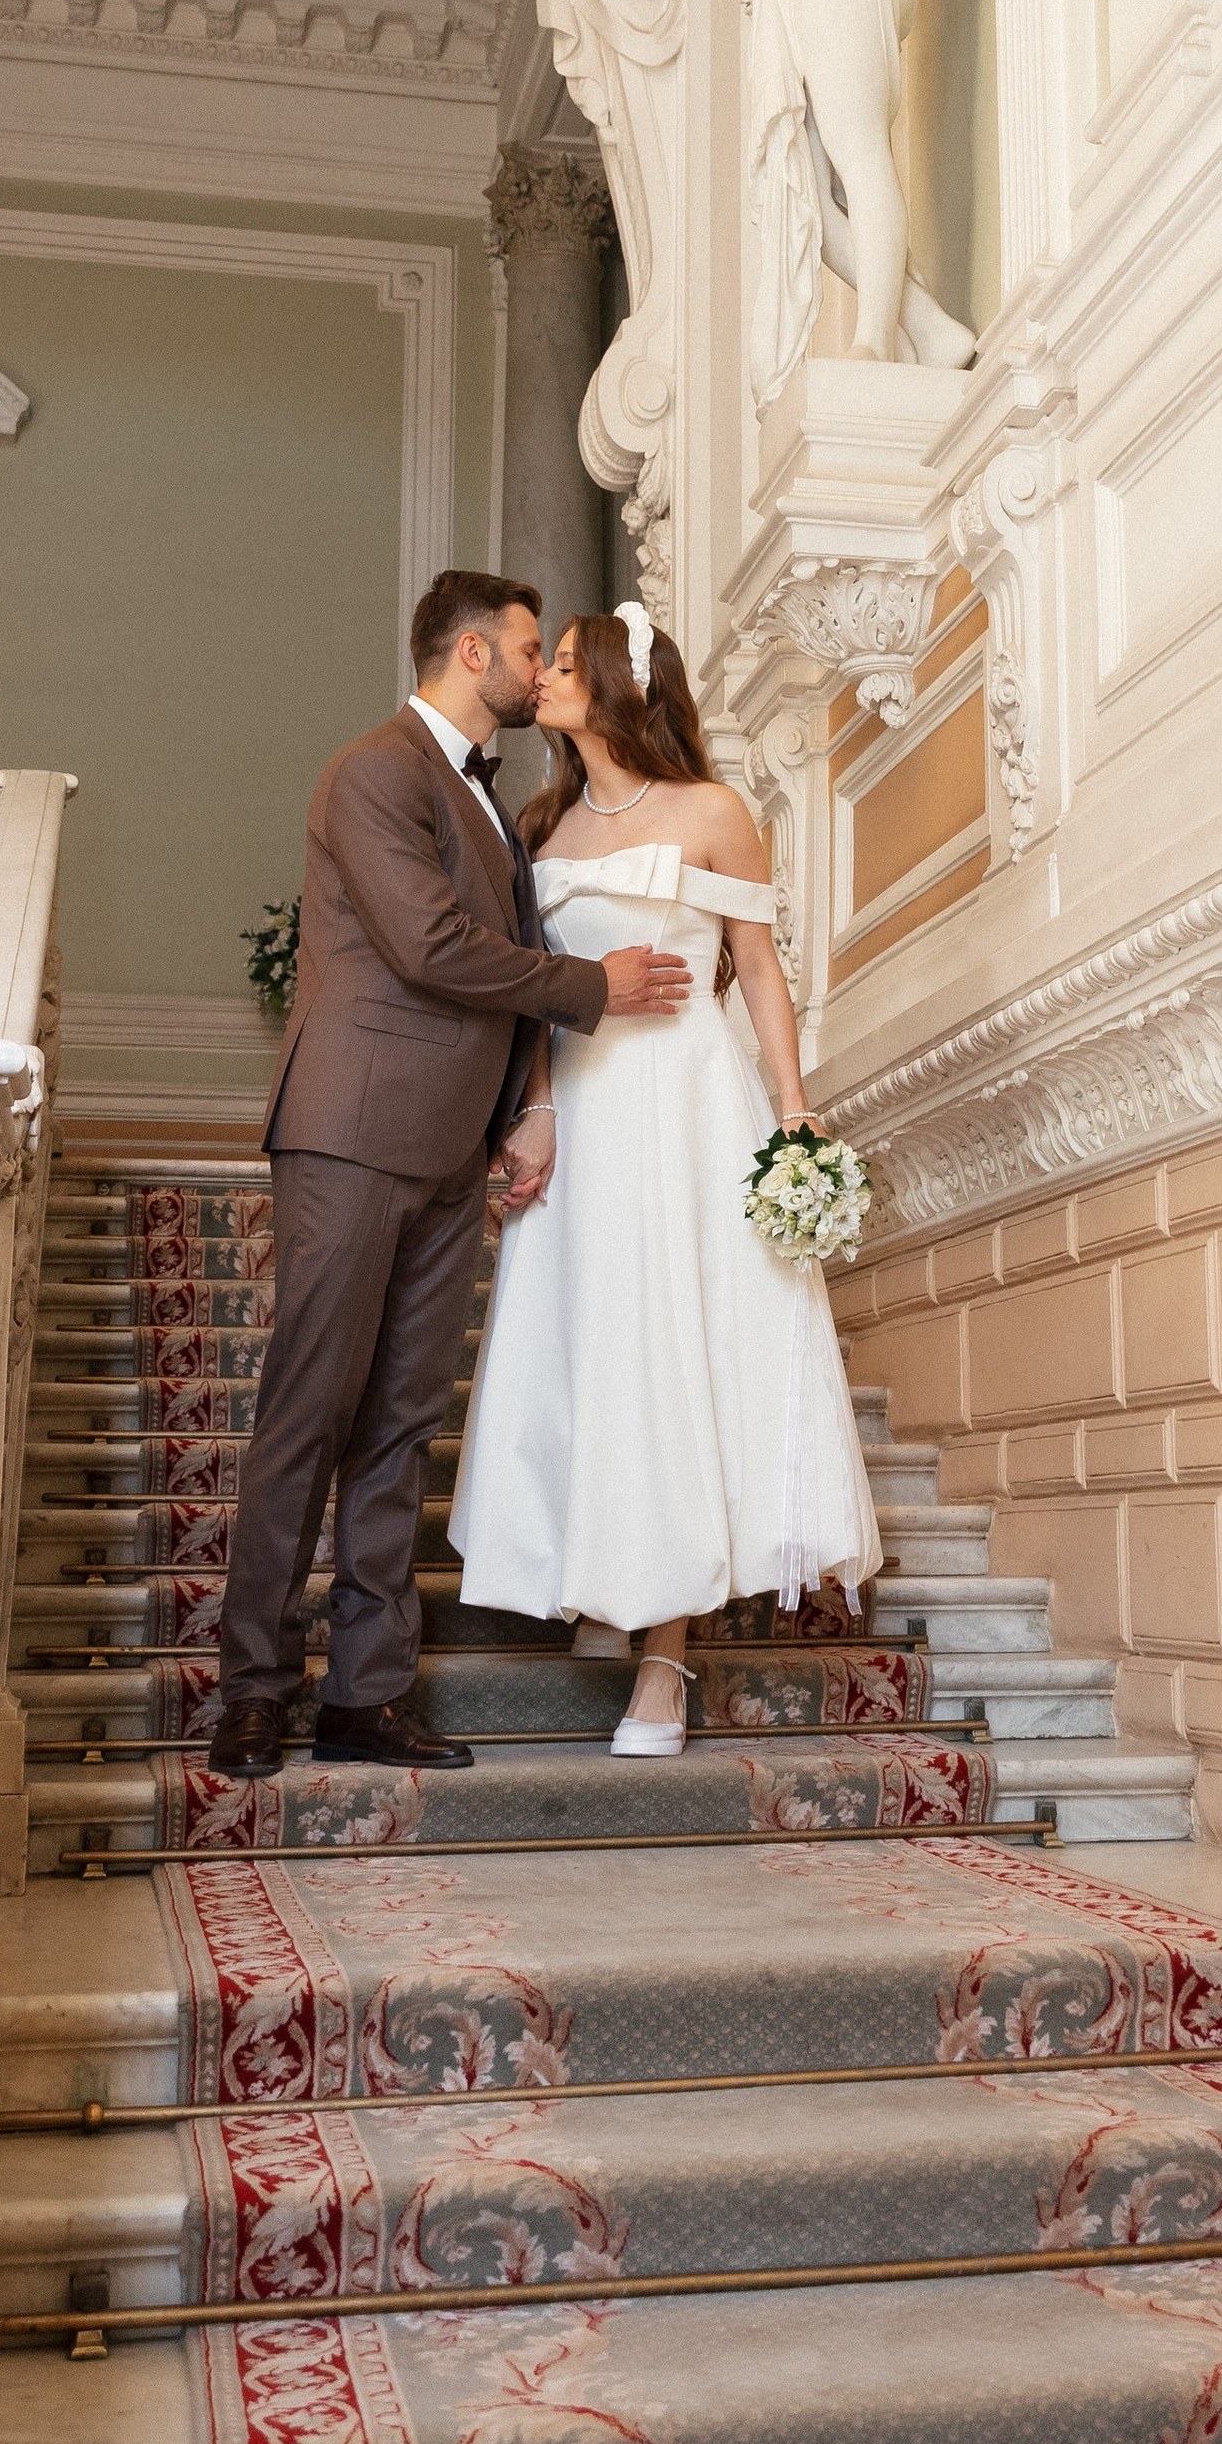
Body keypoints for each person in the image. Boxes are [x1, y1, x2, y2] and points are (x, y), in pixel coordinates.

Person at [207, 572, 695, 1781]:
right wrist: (595, 990)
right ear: (471, 653)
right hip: (355, 1127)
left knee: (399, 1426)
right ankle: (256, 1688)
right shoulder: (376, 769)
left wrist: (525, 1104)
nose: (543, 670)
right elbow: (429, 945)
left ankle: (364, 1697)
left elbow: (506, 951)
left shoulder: (494, 800)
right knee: (310, 1411)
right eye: (529, 649)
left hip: (447, 1147)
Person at [447, 600, 882, 1755]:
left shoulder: (713, 813)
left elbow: (758, 965)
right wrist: (532, 1110)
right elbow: (532, 986)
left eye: (569, 664)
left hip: (686, 1105)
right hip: (581, 1110)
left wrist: (790, 1108)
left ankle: (668, 1659)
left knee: (675, 1352)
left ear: (624, 687)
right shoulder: (537, 821)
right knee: (593, 1350)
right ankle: (604, 1576)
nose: (545, 678)